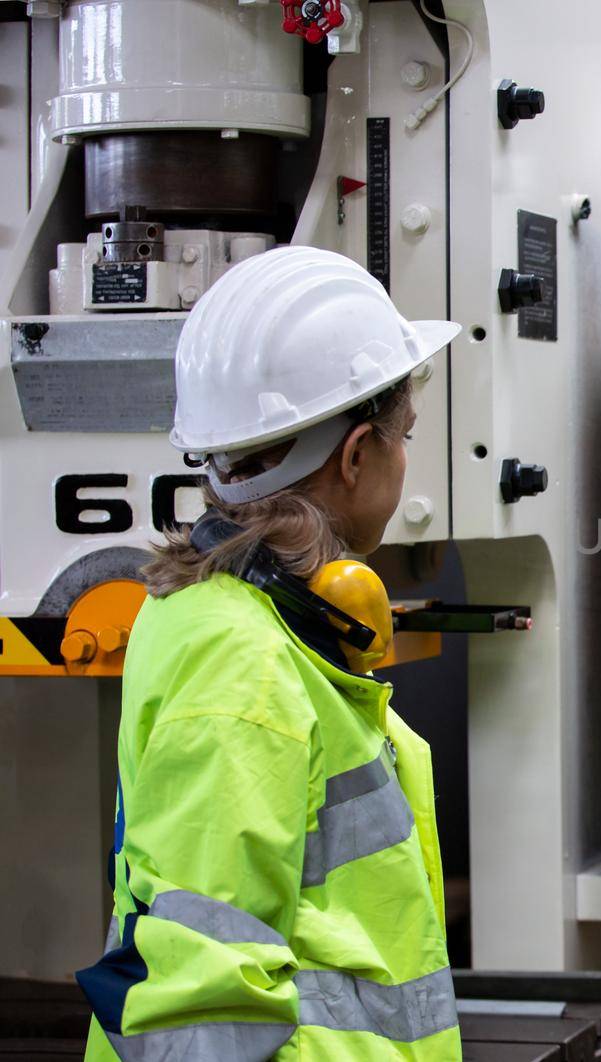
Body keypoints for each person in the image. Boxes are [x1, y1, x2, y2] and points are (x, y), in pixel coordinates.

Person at [75, 247, 463, 1059]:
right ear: (357, 456)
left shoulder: (252, 628)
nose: (405, 461)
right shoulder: (241, 665)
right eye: (405, 438)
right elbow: (202, 1007)